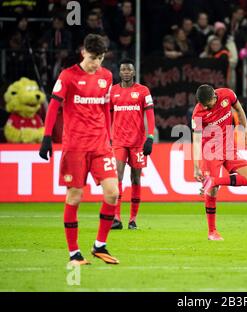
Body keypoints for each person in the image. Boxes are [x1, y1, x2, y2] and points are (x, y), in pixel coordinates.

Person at [39, 34, 120, 265]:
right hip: (75, 146)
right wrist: (46, 137)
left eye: (101, 58)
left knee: (113, 192)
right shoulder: (68, 76)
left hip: (100, 144)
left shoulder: (106, 76)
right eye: (93, 57)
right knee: (75, 196)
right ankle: (74, 253)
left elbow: (105, 109)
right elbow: (54, 106)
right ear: (83, 52)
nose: (97, 63)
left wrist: (109, 136)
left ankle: (100, 246)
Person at [192, 85, 247, 241]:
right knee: (213, 192)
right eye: (203, 105)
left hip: (229, 148)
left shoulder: (227, 94)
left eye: (208, 104)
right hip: (210, 151)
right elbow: (196, 140)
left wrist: (245, 129)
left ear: (215, 96)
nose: (206, 107)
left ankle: (214, 181)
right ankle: (212, 232)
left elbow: (239, 109)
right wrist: (195, 167)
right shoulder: (197, 113)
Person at [110, 59, 155, 230]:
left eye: (129, 70)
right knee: (117, 177)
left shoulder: (143, 91)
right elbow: (107, 115)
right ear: (120, 72)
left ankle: (132, 219)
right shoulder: (112, 91)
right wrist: (107, 136)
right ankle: (116, 217)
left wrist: (150, 137)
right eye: (123, 70)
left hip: (138, 142)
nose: (126, 72)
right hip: (119, 141)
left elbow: (150, 115)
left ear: (134, 72)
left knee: (135, 179)